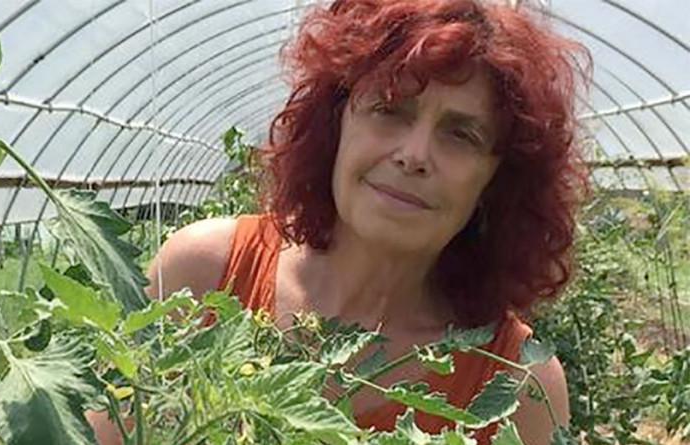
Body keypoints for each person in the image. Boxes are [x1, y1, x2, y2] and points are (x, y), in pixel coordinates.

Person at [93, 0, 589, 443]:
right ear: (335, 125)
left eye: (461, 135)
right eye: (389, 109)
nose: (414, 154)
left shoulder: (516, 382)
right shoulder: (205, 274)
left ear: (497, 180)